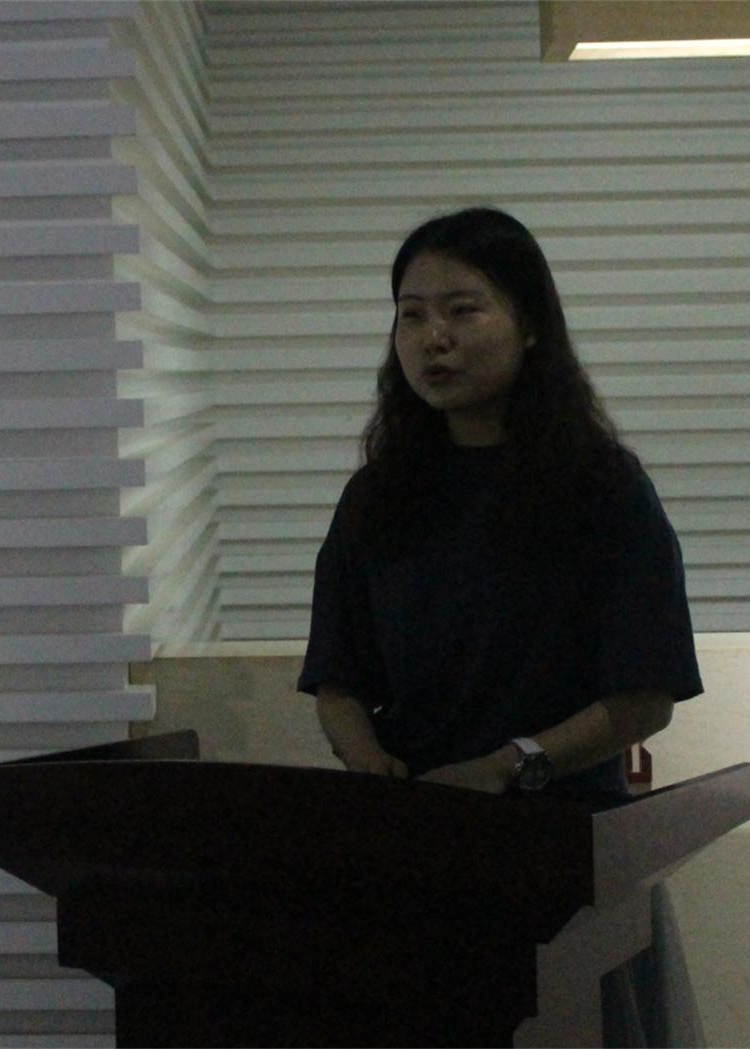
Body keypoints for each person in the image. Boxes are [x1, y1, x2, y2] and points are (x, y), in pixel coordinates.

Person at [297, 206, 703, 800]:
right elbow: (338, 682)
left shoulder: (602, 487)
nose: (434, 338)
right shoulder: (376, 495)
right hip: (413, 817)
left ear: (530, 325)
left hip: (564, 824)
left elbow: (644, 699)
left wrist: (507, 766)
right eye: (412, 315)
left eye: (463, 310)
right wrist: (364, 757)